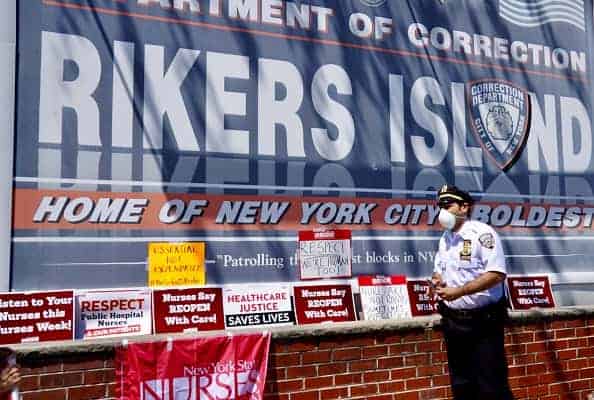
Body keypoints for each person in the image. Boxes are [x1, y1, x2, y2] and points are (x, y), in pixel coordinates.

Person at [430, 184, 513, 400]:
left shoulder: (482, 234)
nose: (442, 211)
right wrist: (437, 280)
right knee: (462, 384)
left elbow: (496, 274)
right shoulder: (445, 238)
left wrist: (459, 292)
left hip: (483, 322)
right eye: (440, 206)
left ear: (464, 207)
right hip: (454, 323)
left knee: (491, 385)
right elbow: (440, 271)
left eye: (447, 205)